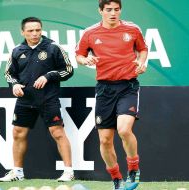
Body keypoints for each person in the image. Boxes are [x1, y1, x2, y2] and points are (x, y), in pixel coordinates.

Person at [75, 0, 148, 190]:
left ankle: (133, 168)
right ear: (100, 11)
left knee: (124, 130)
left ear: (120, 10)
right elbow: (79, 55)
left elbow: (142, 49)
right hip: (104, 89)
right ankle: (116, 179)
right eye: (108, 10)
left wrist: (142, 62)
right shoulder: (90, 33)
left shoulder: (132, 29)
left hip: (128, 86)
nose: (113, 13)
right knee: (105, 140)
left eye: (116, 9)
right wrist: (86, 59)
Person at [0, 17, 74, 183]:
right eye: (31, 30)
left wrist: (49, 76)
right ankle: (17, 172)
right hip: (25, 100)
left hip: (48, 99)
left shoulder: (53, 47)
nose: (35, 33)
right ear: (22, 32)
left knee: (57, 132)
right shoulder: (17, 50)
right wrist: (15, 85)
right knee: (18, 133)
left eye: (38, 30)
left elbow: (68, 70)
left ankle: (68, 171)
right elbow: (9, 74)